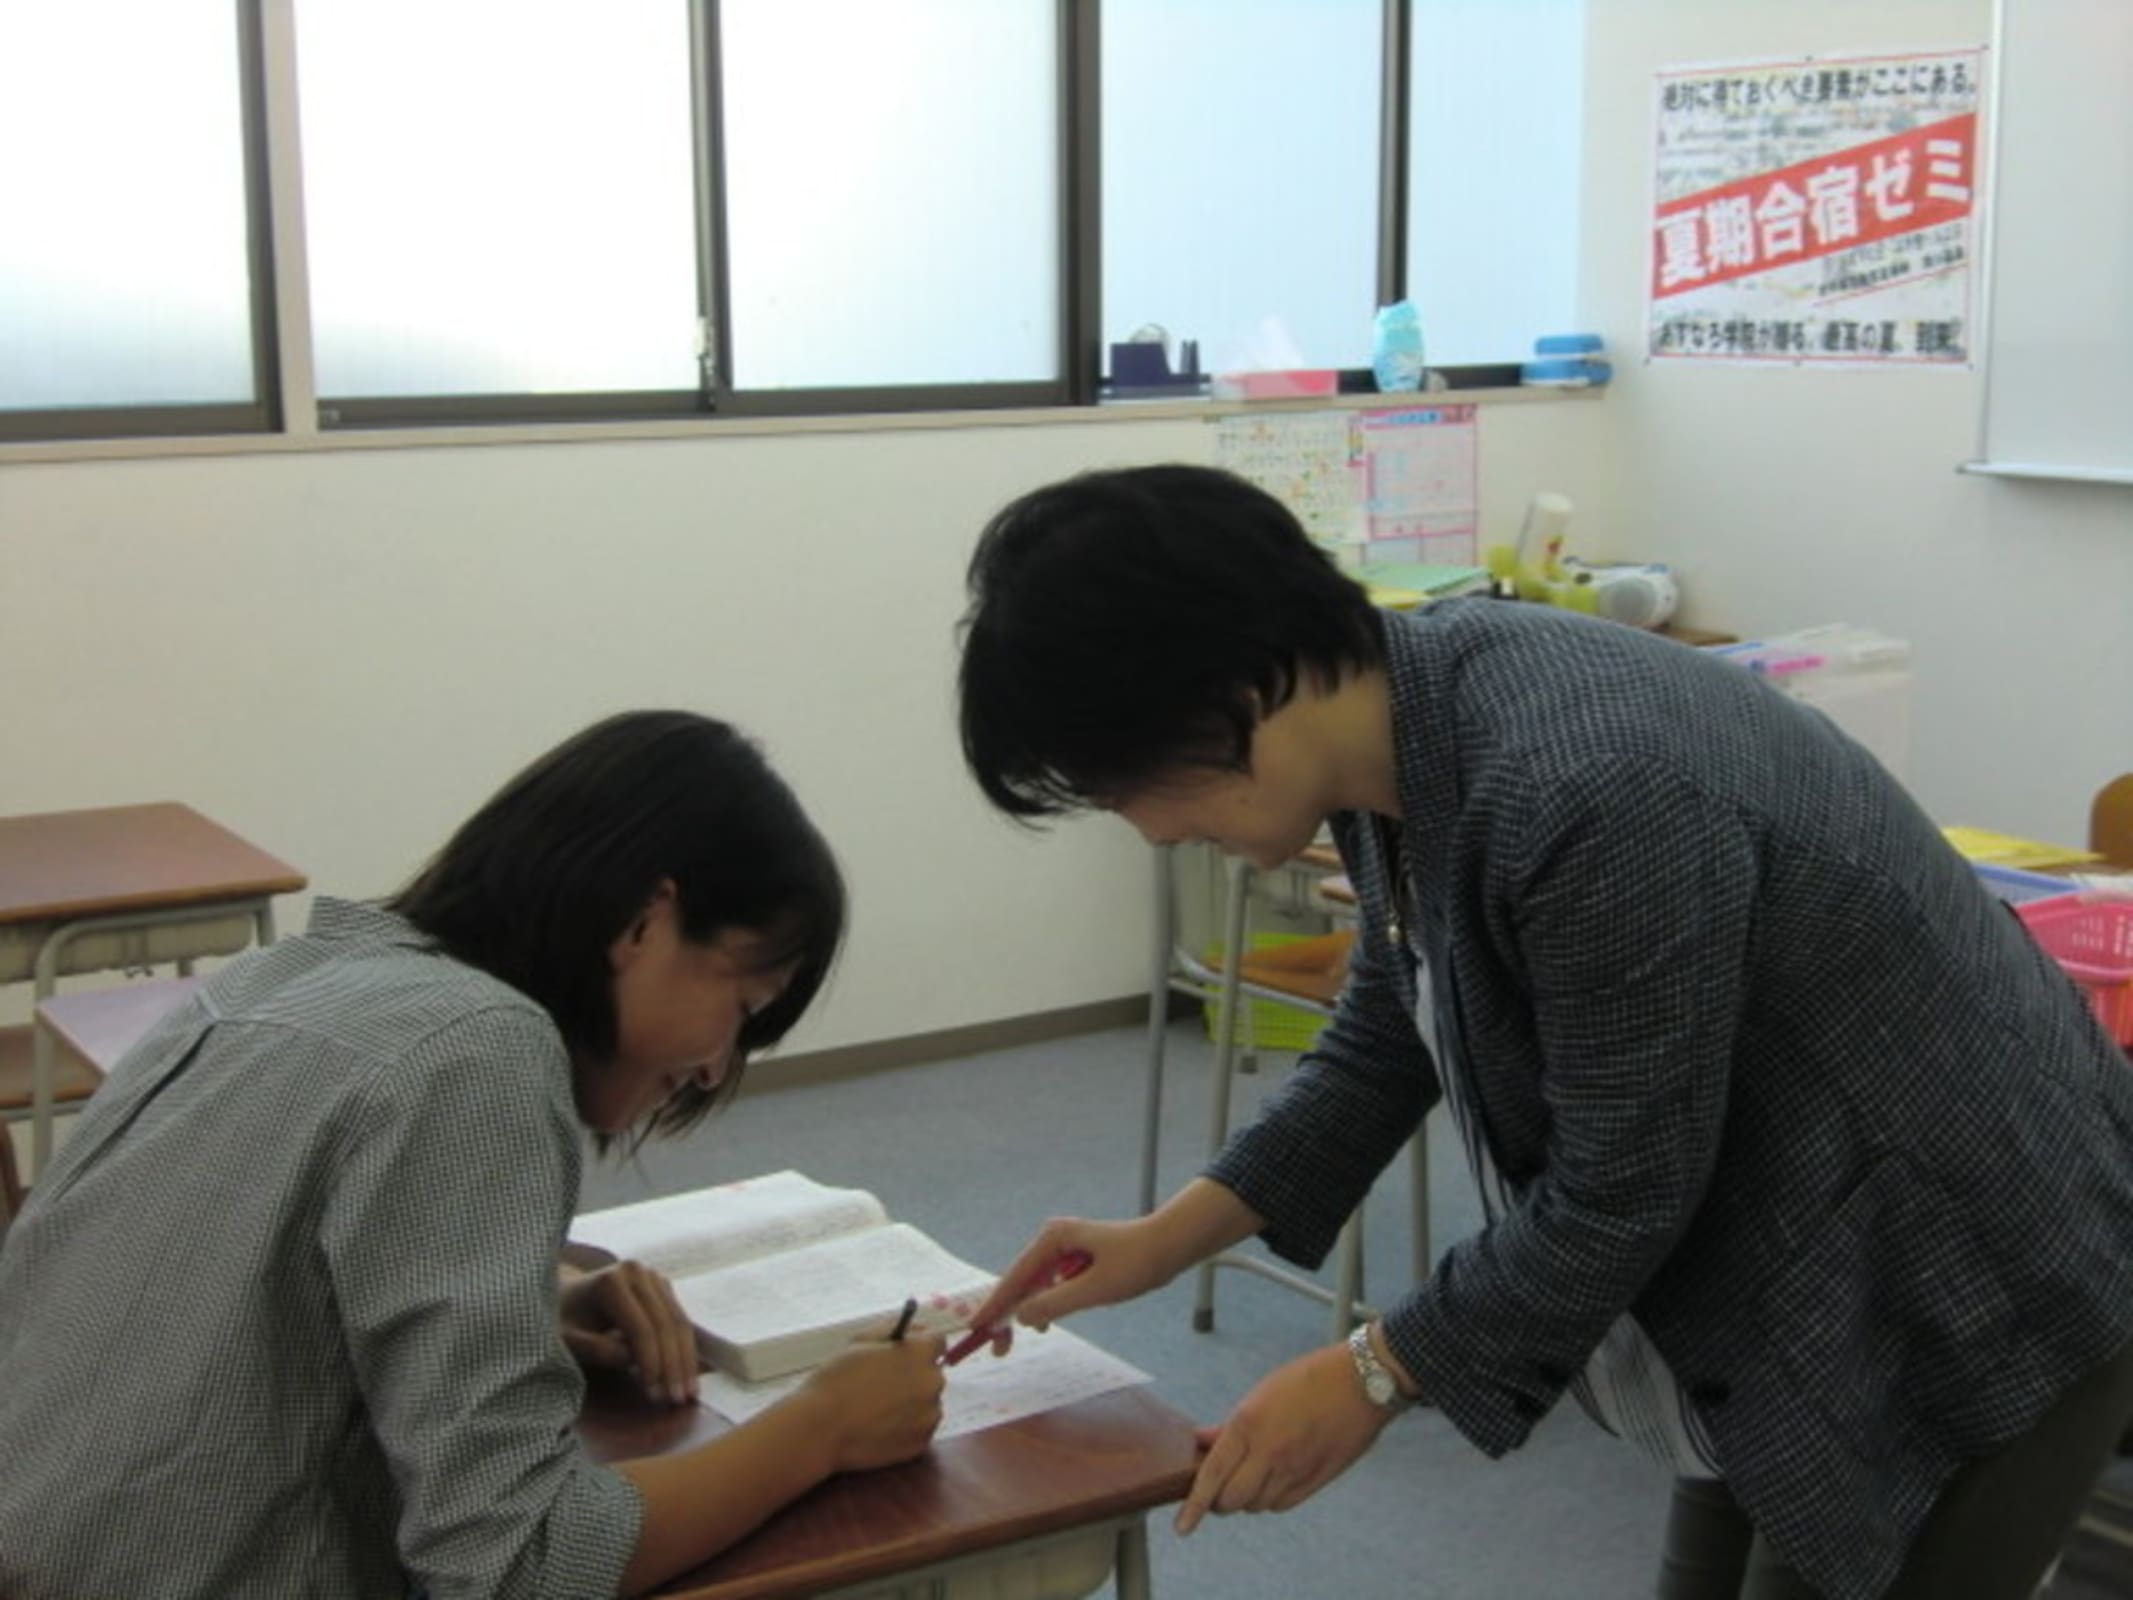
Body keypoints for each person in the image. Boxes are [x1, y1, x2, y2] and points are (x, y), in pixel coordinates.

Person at [952, 464, 2133, 1600]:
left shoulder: (1585, 786)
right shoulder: (1397, 724)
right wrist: (1170, 1236)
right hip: (1787, 1266)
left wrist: (1372, 1372)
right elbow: (1392, 1029)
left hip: (1961, 1278)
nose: (1152, 833)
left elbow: (1618, 1191)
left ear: (1244, 689)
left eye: (1130, 788)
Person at [0, 710, 946, 1600]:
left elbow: (224, 1298)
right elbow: (520, 1564)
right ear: (645, 922)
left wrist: (529, 1300)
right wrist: (822, 1428)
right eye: (742, 1007)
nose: (712, 1067)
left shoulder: (279, 977)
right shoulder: (480, 1051)